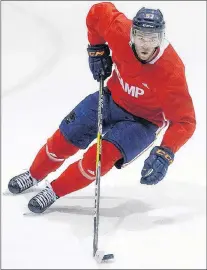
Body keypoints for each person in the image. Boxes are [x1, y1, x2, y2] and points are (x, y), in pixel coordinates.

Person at [8, 2, 196, 213]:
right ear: (131, 33)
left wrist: (165, 152)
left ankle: (55, 190)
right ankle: (34, 174)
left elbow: (184, 121)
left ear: (161, 39)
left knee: (97, 159)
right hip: (111, 99)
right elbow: (98, 13)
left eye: (152, 39)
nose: (145, 45)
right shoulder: (119, 31)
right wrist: (96, 49)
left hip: (142, 122)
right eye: (140, 37)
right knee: (66, 136)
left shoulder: (171, 71)